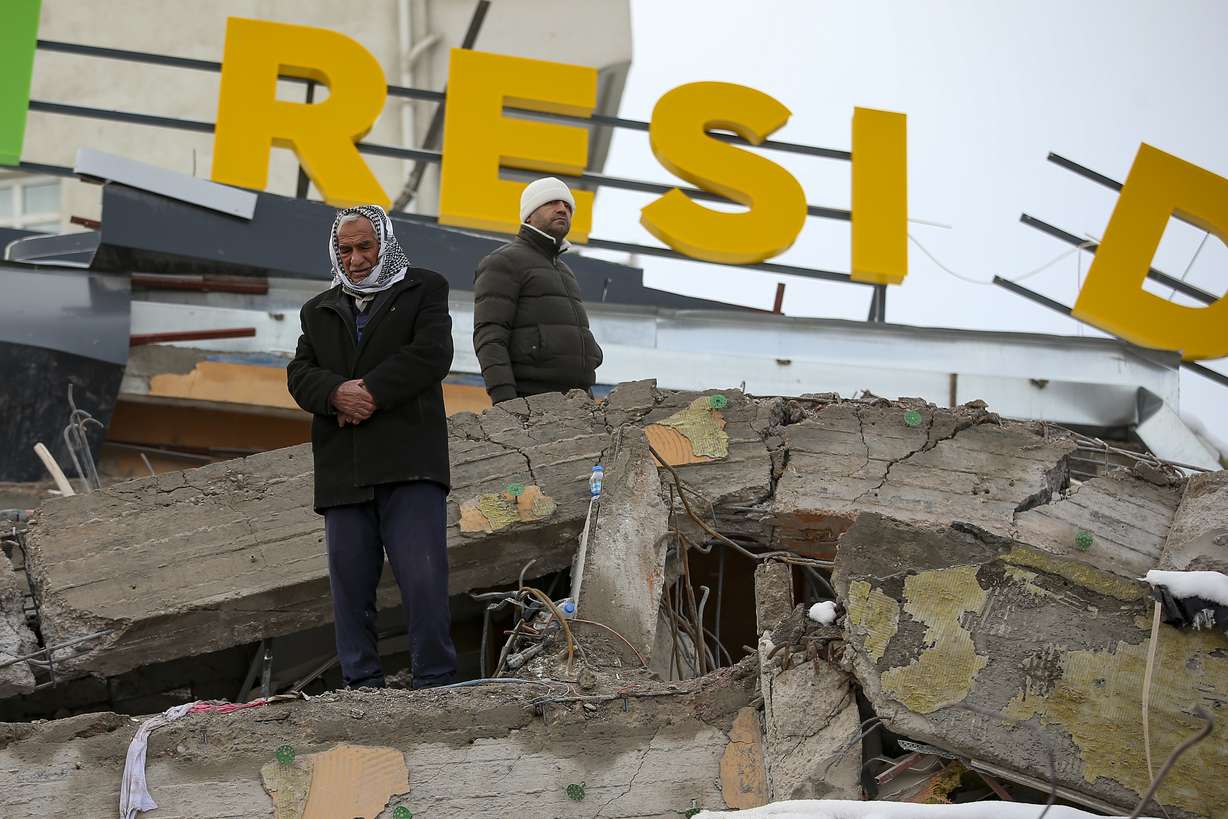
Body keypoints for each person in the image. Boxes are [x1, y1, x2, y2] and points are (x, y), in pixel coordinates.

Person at [287, 204, 456, 690]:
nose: (355, 258)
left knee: (423, 581)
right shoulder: (317, 309)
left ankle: (436, 681)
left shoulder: (424, 287)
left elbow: (430, 355)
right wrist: (334, 393)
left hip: (410, 464)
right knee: (350, 589)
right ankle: (361, 688)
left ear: (385, 244)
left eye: (365, 246)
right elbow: (300, 374)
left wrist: (370, 393)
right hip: (345, 472)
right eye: (346, 249)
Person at [472, 176, 603, 404]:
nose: (562, 209)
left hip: (578, 403)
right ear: (529, 215)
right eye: (552, 202)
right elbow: (489, 337)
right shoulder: (503, 262)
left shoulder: (565, 271)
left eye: (567, 206)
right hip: (531, 401)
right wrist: (506, 403)